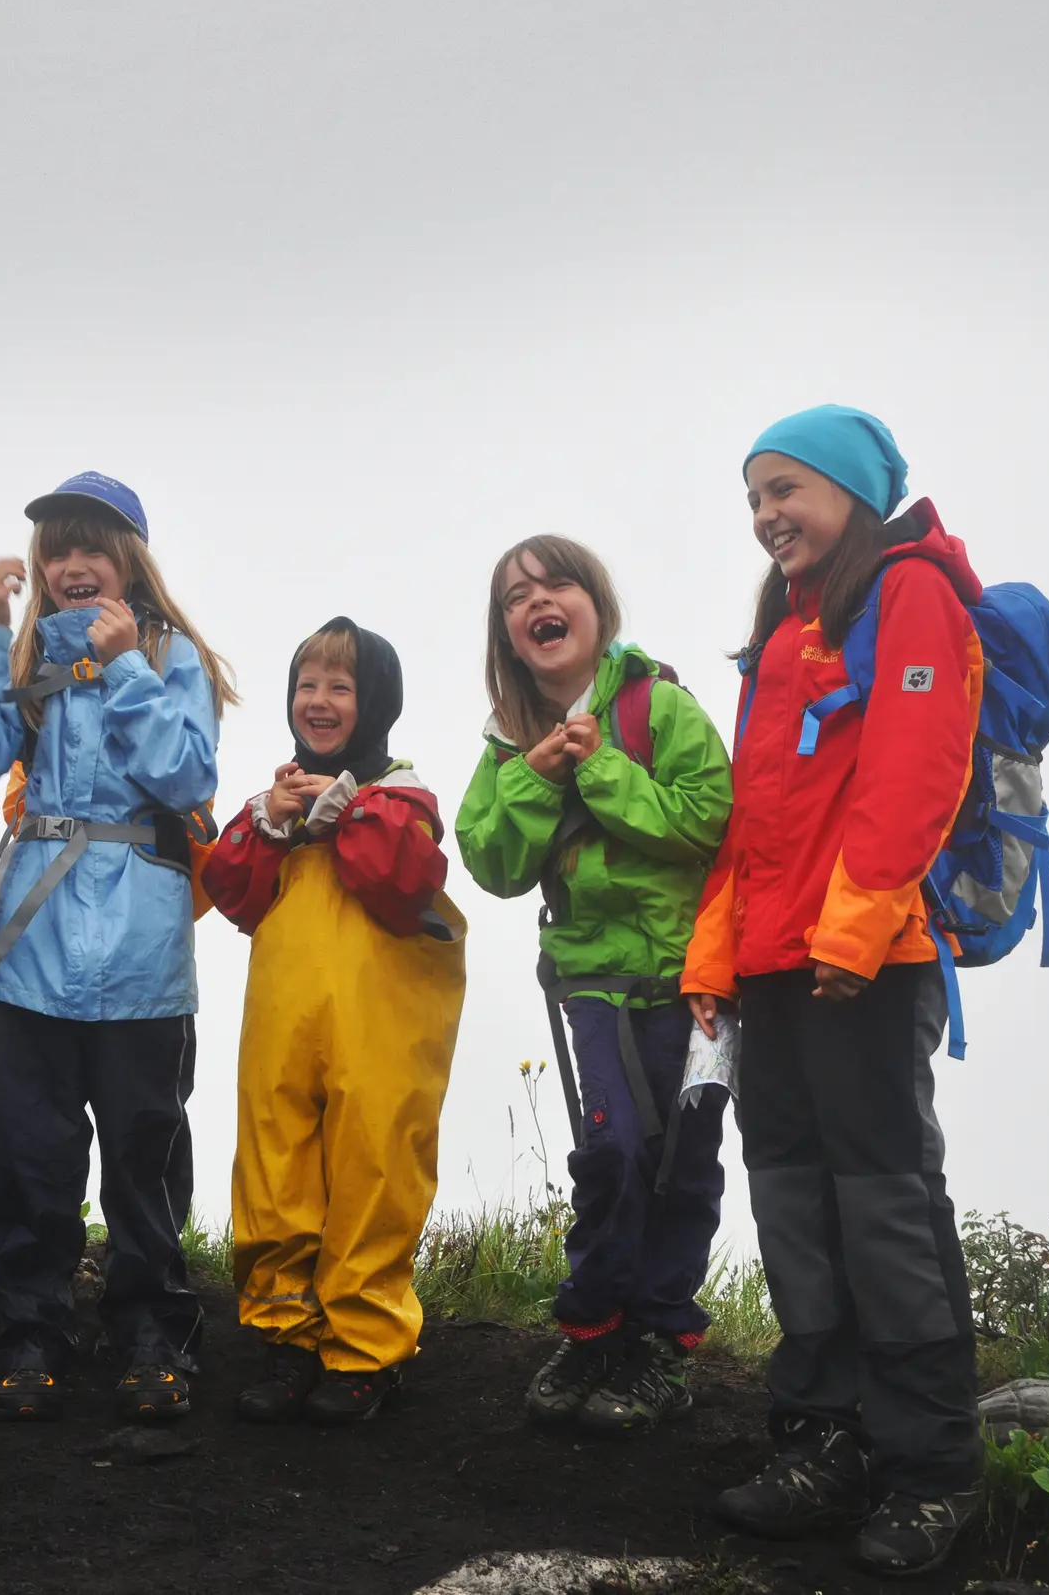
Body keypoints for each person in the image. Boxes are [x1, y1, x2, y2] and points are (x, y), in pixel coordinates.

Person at [684, 406, 986, 1578]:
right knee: (797, 1210)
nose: (766, 515)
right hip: (776, 970)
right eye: (754, 497)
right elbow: (753, 829)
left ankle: (933, 1471)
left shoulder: (911, 592)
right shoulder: (786, 628)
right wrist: (716, 962)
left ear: (851, 492)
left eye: (786, 490)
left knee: (886, 1215)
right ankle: (826, 1440)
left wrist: (853, 933)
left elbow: (917, 774)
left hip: (865, 966)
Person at [0, 473, 234, 1425]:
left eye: (90, 547)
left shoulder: (172, 653)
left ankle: (153, 1329)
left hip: (143, 948)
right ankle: (29, 1326)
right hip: (35, 945)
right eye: (55, 549)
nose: (70, 565)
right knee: (30, 1148)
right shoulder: (27, 659)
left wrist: (129, 669)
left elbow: (185, 773)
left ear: (130, 560)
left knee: (144, 1149)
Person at [457, 537, 733, 1435]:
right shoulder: (508, 738)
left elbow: (710, 821)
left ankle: (658, 1343)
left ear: (594, 605)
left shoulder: (661, 705)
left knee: (684, 1161)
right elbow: (492, 862)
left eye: (555, 582)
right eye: (514, 596)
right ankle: (593, 1327)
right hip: (593, 981)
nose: (536, 600)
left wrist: (603, 768)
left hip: (697, 982)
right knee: (612, 1156)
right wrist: (537, 777)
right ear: (508, 632)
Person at [203, 618, 466, 1426]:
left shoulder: (403, 799)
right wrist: (271, 820)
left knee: (374, 1166)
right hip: (284, 1028)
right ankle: (287, 1338)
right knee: (274, 1165)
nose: (317, 701)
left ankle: (364, 1350)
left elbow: (401, 883)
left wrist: (344, 811)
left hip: (379, 1032)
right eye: (305, 685)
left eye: (339, 686)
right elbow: (229, 892)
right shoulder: (274, 804)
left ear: (375, 701)